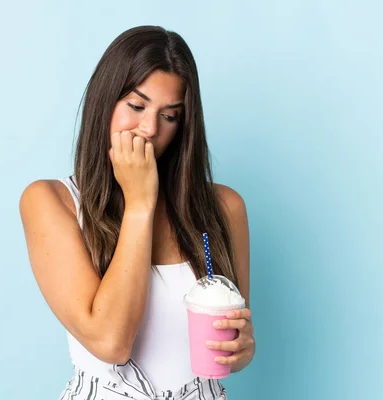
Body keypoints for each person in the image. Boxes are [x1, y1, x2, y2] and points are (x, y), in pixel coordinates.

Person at [19, 25, 255, 400]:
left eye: (170, 115)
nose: (149, 129)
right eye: (136, 105)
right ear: (105, 101)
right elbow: (111, 343)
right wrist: (139, 204)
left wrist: (241, 350)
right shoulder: (52, 201)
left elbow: (231, 341)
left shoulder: (224, 209)